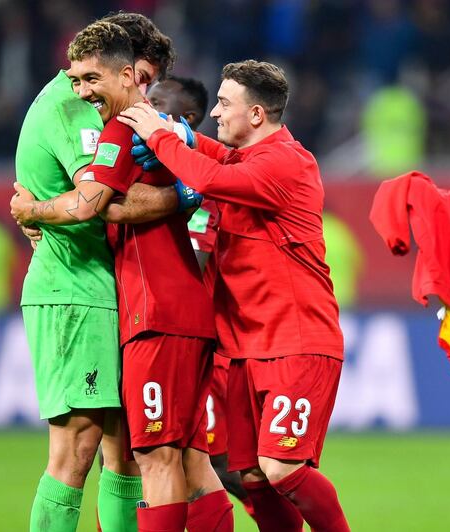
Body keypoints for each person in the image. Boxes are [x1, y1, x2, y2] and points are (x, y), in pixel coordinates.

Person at [11, 22, 232, 532]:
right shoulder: (76, 106)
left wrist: (34, 210)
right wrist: (190, 193)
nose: (149, 94)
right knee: (77, 448)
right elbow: (105, 205)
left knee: (130, 452)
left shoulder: (117, 116)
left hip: (117, 293)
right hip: (75, 291)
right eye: (146, 78)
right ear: (125, 65)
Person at [119, 59, 350, 531]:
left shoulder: (288, 162)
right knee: (252, 476)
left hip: (295, 339)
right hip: (247, 347)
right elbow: (219, 160)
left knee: (282, 467)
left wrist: (161, 136)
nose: (217, 114)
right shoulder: (250, 158)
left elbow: (210, 179)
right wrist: (182, 136)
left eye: (225, 104)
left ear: (258, 115)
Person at [147, 75, 255, 518]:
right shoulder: (158, 175)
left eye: (156, 103)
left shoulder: (203, 186)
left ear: (184, 120)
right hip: (154, 332)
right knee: (135, 459)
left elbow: (194, 263)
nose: (144, 107)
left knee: (220, 466)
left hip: (194, 348)